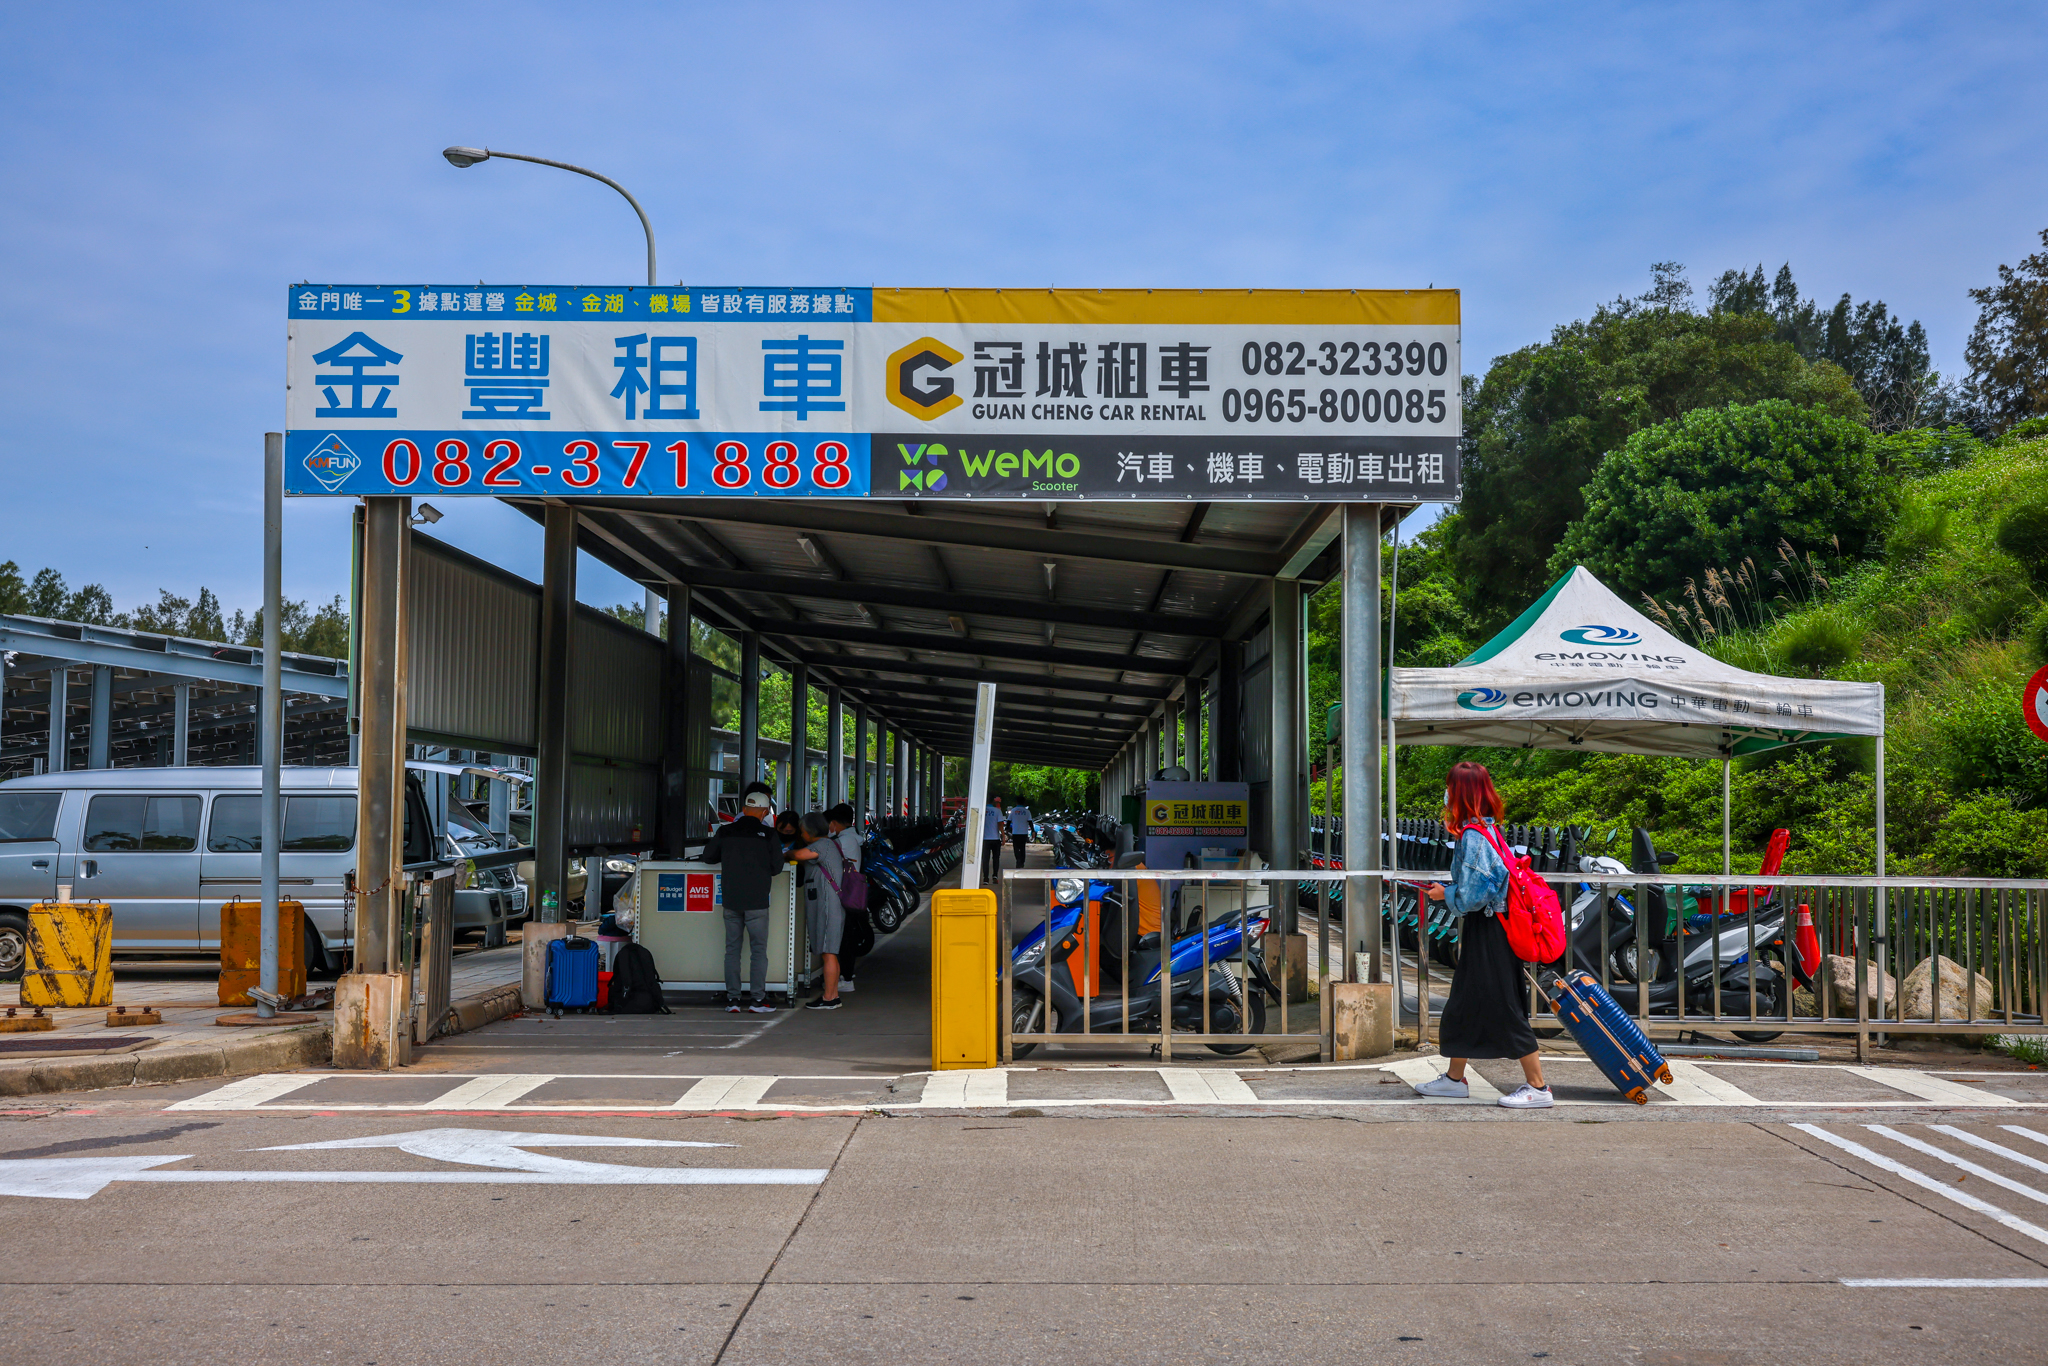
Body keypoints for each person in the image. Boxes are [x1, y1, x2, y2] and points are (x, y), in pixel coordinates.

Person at [1414, 761, 1552, 1109]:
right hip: (1492, 928)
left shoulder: (1475, 836)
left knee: (1503, 1004)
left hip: (1490, 929)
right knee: (1465, 1002)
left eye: (1449, 787)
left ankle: (1538, 1087)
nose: (1445, 794)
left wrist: (1444, 894)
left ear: (1460, 793)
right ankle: (1454, 1079)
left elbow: (1474, 894)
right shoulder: (1488, 830)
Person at [700, 782, 783, 1014]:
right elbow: (777, 868)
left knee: (732, 950)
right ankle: (757, 1001)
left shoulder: (725, 832)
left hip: (731, 901)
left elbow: (708, 857)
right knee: (758, 951)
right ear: (765, 812)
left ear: (744, 809)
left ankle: (733, 1000)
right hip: (757, 902)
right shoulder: (768, 834)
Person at [791, 811, 846, 1010]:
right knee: (830, 952)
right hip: (831, 905)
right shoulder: (830, 844)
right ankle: (833, 995)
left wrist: (783, 853)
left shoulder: (822, 845)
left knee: (828, 952)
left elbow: (799, 855)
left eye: (802, 831)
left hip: (828, 906)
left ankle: (830, 998)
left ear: (808, 830)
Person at [827, 803, 866, 991]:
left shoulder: (844, 840)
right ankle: (846, 975)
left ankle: (847, 978)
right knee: (847, 934)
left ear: (834, 823)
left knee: (846, 937)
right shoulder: (853, 837)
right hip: (851, 891)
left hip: (845, 892)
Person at [981, 797, 1005, 889]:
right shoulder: (997, 811)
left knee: (985, 859)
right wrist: (1003, 836)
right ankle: (995, 876)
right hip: (995, 838)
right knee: (996, 858)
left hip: (985, 839)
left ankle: (985, 878)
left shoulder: (982, 810)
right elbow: (1000, 824)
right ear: (993, 801)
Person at [1007, 798, 1033, 866]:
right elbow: (1030, 822)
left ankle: (1018, 859)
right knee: (1022, 848)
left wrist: (1006, 829)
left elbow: (1009, 821)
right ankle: (1022, 862)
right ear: (1024, 803)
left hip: (1015, 832)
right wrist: (1033, 831)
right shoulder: (1027, 812)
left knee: (1016, 848)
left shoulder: (1013, 811)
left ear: (1016, 802)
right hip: (1024, 833)